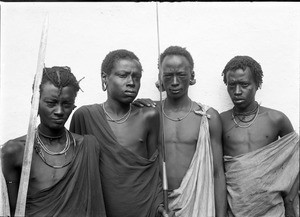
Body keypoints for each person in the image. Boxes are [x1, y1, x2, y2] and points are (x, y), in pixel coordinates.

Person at [69, 49, 165, 217]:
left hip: (142, 209)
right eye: (123, 75)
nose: (131, 82)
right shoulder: (85, 116)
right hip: (100, 209)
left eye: (136, 77)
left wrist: (160, 205)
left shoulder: (149, 115)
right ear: (104, 78)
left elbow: (155, 169)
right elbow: (75, 171)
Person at [134, 46, 227, 217]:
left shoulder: (207, 117)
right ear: (160, 77)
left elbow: (218, 173)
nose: (175, 82)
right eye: (168, 75)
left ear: (192, 76)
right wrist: (134, 105)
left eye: (181, 75)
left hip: (198, 202)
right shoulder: (149, 114)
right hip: (158, 205)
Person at [1, 66, 106, 217]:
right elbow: (10, 211)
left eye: (66, 104)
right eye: (51, 103)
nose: (59, 111)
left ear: (73, 105)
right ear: (35, 102)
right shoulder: (16, 151)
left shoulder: (86, 146)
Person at [220, 55, 299, 217]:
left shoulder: (276, 119)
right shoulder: (220, 121)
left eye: (244, 85)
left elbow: (295, 162)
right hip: (235, 208)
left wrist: (290, 200)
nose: (237, 91)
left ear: (258, 84)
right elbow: (214, 170)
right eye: (231, 85)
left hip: (272, 208)